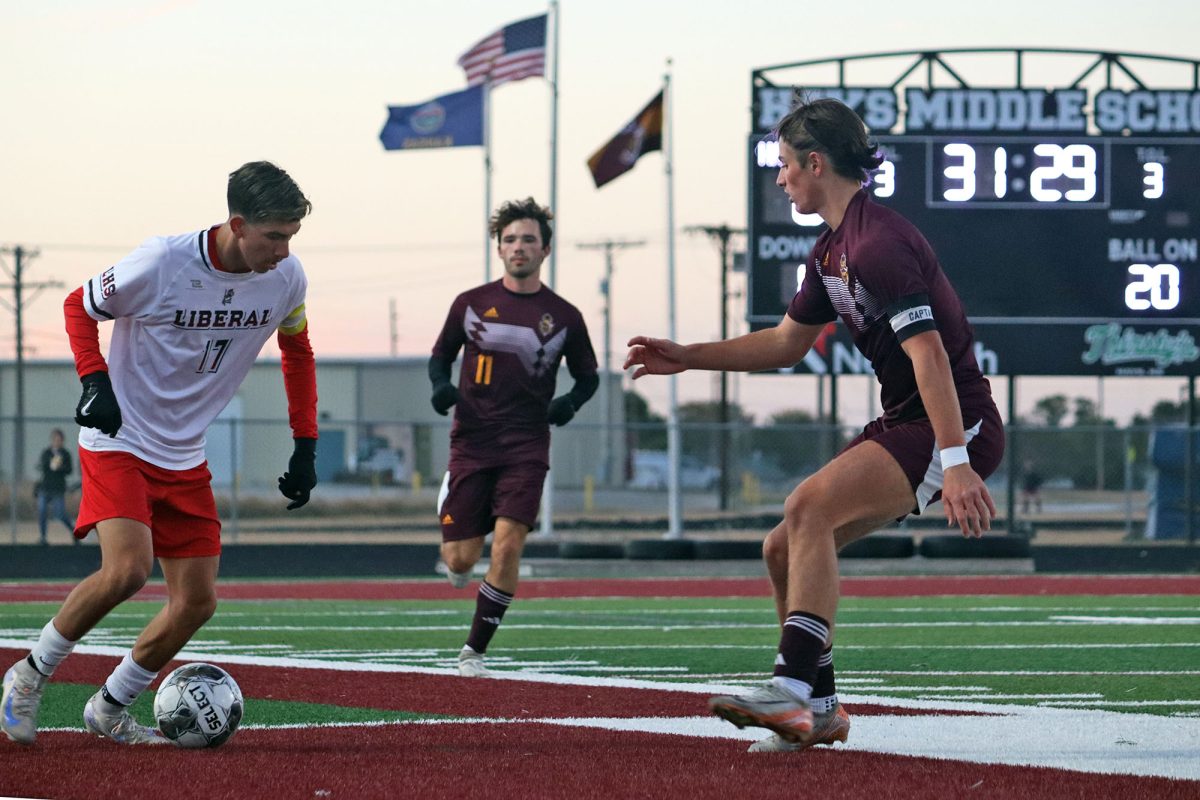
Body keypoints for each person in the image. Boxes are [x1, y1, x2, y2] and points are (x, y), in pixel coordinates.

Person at [625, 95, 1004, 752]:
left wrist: (960, 460)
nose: (779, 178)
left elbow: (931, 355)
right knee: (781, 546)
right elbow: (783, 345)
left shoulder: (878, 243)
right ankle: (821, 708)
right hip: (909, 420)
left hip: (954, 424)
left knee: (807, 507)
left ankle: (792, 691)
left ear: (816, 162)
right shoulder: (831, 251)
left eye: (785, 166)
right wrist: (687, 357)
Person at [1, 161, 319, 747]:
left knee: (197, 602)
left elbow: (297, 352)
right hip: (119, 438)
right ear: (238, 224)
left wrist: (306, 443)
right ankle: (28, 674)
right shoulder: (163, 262)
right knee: (126, 570)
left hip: (184, 453)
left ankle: (110, 705)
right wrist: (94, 382)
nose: (283, 251)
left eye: (291, 237)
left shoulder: (287, 279)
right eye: (274, 236)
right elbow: (78, 305)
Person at [429, 197, 598, 677]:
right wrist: (441, 387)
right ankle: (452, 512)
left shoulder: (564, 316)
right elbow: (440, 358)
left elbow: (589, 378)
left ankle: (473, 653)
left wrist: (569, 403)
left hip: (527, 444)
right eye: (509, 240)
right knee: (459, 559)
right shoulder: (471, 304)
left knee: (507, 545)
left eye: (527, 239)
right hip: (472, 441)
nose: (518, 247)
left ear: (545, 249)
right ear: (498, 248)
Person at [35, 428, 76, 545]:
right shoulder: (46, 453)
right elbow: (43, 466)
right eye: (55, 439)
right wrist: (50, 464)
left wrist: (60, 467)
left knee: (60, 514)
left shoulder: (66, 454)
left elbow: (69, 470)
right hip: (45, 487)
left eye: (59, 440)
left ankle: (74, 532)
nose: (57, 442)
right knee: (42, 511)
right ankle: (43, 537)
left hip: (58, 489)